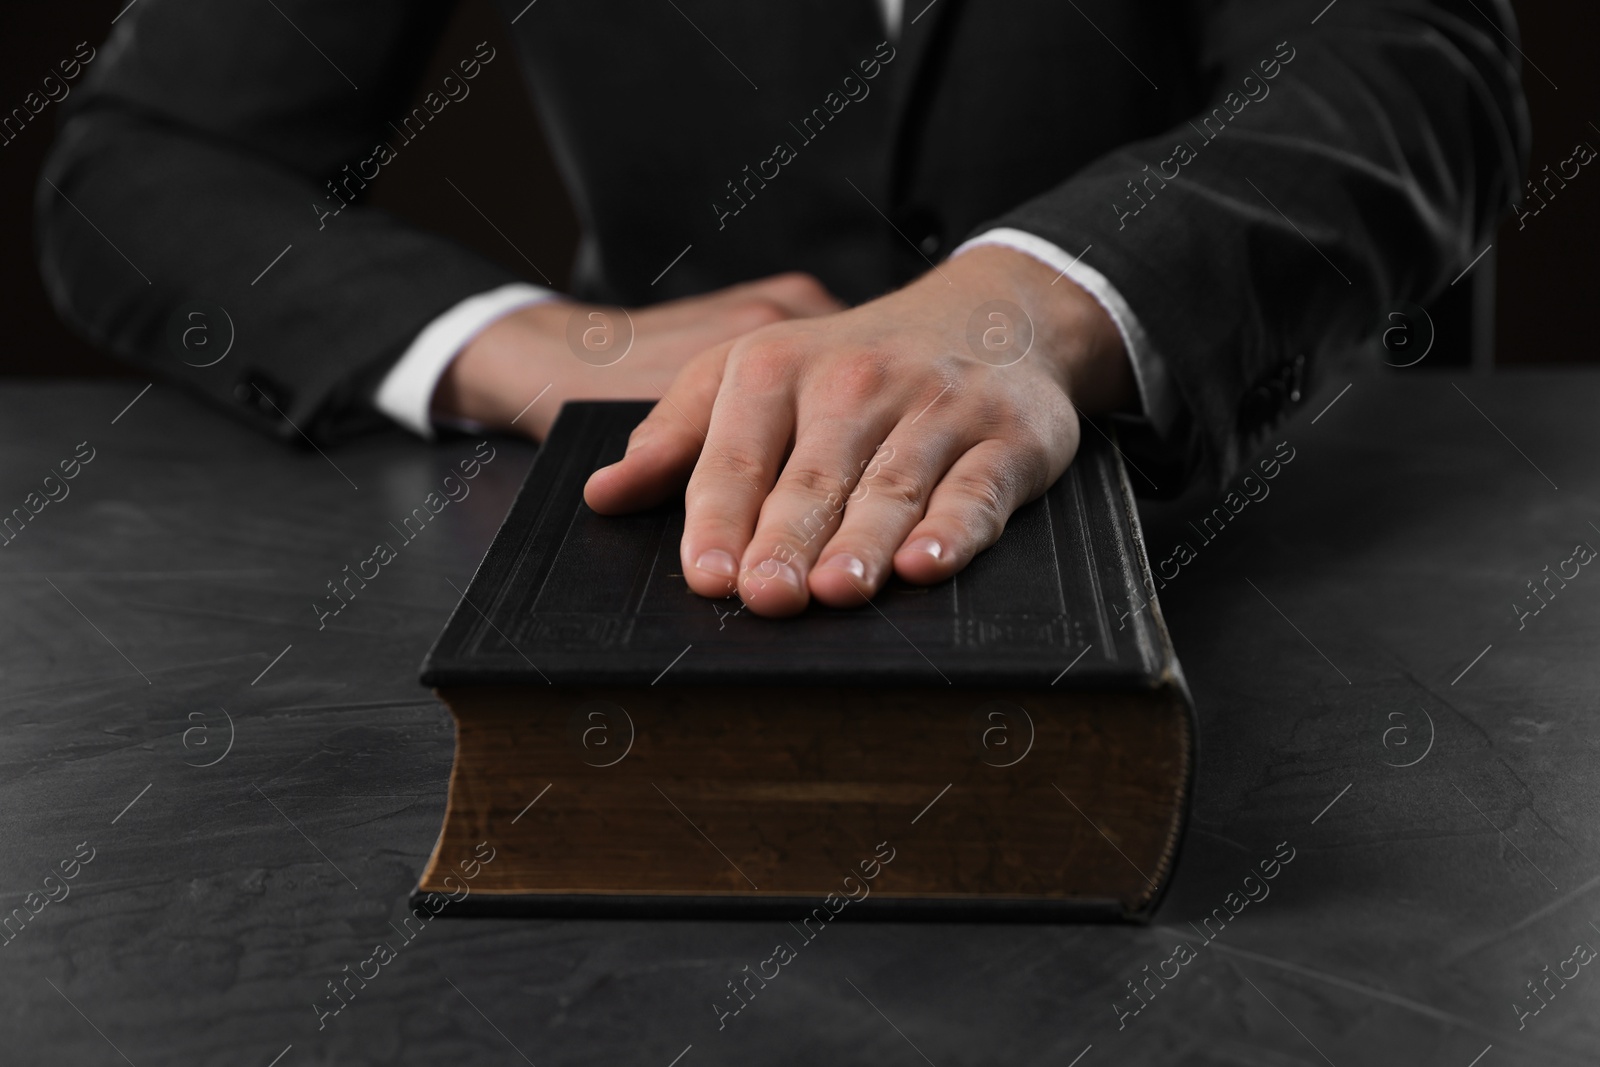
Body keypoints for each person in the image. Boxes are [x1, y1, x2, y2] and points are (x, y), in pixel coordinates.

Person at [37, 0, 1527, 617]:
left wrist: (1035, 298)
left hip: (1293, 556)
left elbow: (1406, 66)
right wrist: (533, 343)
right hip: (672, 541)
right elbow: (146, 161)